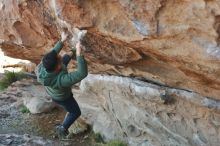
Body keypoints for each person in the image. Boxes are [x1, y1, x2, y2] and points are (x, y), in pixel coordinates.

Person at [35, 31, 88, 139]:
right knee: (75, 112)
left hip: (53, 89)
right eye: (59, 62)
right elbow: (82, 73)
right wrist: (79, 54)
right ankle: (63, 128)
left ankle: (73, 50)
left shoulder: (42, 66)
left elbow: (52, 54)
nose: (59, 56)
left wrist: (62, 40)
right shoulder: (62, 80)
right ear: (58, 67)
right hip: (63, 97)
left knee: (67, 56)